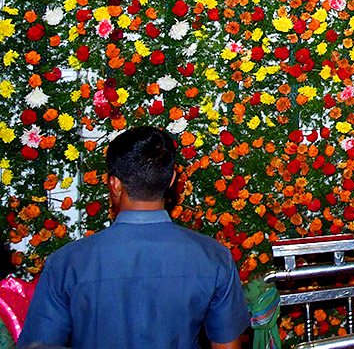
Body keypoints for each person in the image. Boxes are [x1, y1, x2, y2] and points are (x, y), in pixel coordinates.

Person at [19, 127, 249, 349]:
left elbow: (40, 344)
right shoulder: (214, 257)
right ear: (171, 180)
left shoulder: (67, 262)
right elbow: (226, 344)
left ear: (115, 184)